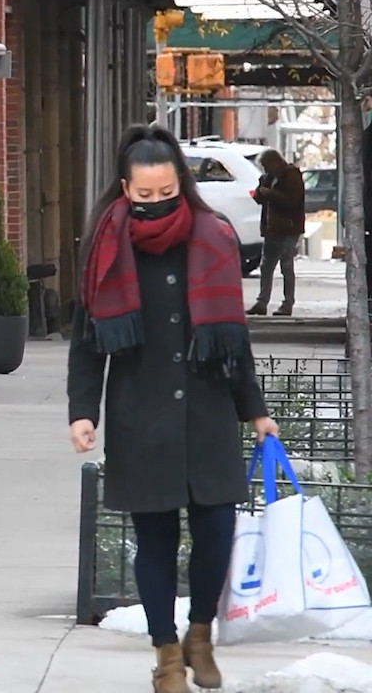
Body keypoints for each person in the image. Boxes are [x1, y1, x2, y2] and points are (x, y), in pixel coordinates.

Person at [66, 124, 279, 693]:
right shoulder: (105, 248)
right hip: (142, 416)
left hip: (208, 413)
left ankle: (199, 634)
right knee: (155, 541)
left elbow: (232, 337)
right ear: (125, 188)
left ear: (181, 183)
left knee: (217, 533)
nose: (156, 203)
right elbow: (87, 343)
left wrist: (255, 410)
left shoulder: (213, 236)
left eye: (167, 192)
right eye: (145, 194)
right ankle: (165, 655)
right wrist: (83, 411)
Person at [247, 148, 306, 317]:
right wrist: (261, 191)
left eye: (267, 166)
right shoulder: (268, 178)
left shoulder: (291, 175)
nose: (266, 170)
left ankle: (288, 303)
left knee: (286, 265)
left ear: (276, 163)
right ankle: (262, 302)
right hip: (271, 228)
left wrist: (271, 194)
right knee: (266, 266)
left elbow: (293, 202)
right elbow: (259, 199)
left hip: (288, 228)